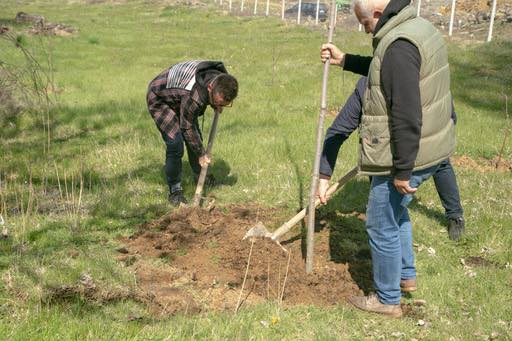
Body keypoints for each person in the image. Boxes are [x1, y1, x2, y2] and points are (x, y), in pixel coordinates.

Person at [319, 0, 456, 317]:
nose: (366, 29)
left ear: (378, 15)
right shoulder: (416, 27)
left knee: (381, 224)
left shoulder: (397, 44)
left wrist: (403, 170)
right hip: (433, 146)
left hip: (412, 152)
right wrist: (347, 61)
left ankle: (387, 299)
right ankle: (405, 276)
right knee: (397, 213)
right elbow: (391, 72)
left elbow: (407, 113)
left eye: (365, 24)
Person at [318, 76, 465, 241]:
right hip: (384, 151)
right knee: (377, 169)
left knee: (441, 161)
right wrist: (324, 175)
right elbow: (337, 131)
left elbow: (449, 116)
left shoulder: (427, 79)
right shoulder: (368, 86)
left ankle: (455, 216)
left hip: (428, 140)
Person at [147, 60, 238, 206]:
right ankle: (175, 191)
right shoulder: (193, 95)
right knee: (176, 144)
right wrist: (202, 154)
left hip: (181, 97)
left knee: (195, 139)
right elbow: (187, 127)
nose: (221, 106)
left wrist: (217, 104)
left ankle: (201, 176)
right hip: (161, 98)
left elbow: (192, 131)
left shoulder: (222, 80)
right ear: (210, 88)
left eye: (225, 104)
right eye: (218, 102)